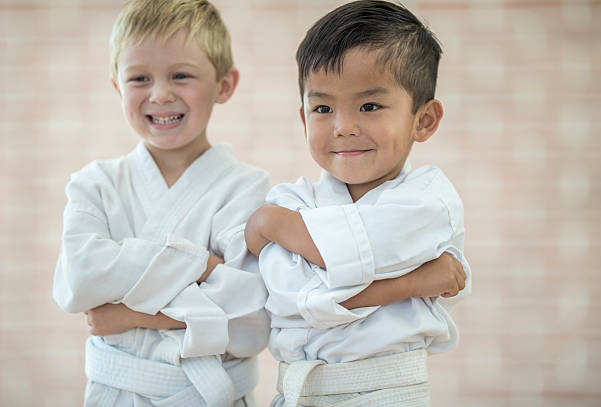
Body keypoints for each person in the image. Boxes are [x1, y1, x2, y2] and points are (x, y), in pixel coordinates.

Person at [244, 1, 472, 406]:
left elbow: (332, 270)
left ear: (424, 120)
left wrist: (269, 224)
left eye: (370, 106)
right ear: (303, 118)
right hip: (296, 393)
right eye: (323, 108)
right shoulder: (293, 200)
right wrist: (409, 284)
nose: (343, 127)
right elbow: (286, 298)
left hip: (388, 393)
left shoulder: (429, 203)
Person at [52, 0, 271, 405]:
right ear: (118, 86)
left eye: (181, 75)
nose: (160, 94)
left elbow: (250, 321)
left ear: (224, 85)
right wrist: (203, 267)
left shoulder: (246, 188)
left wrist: (128, 315)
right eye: (139, 78)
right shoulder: (94, 184)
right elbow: (80, 280)